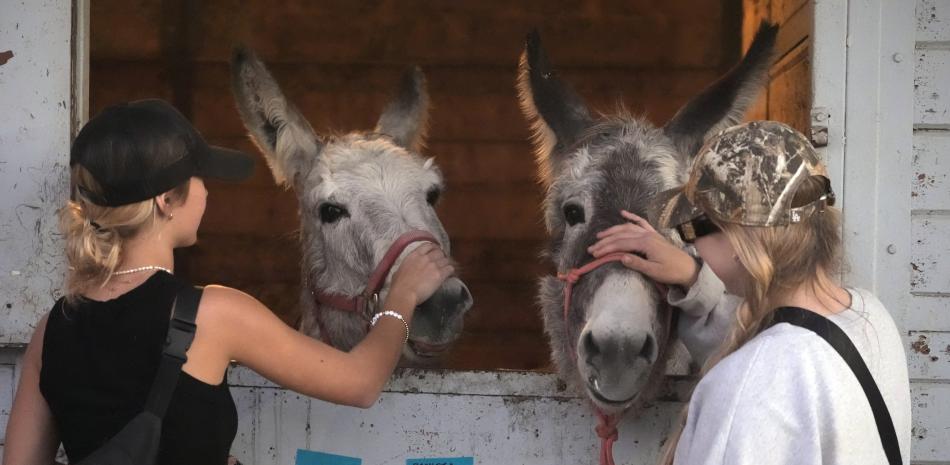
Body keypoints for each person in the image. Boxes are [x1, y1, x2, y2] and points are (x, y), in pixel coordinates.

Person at [3, 99, 454, 465]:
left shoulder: (52, 329)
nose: (207, 191)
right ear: (166, 200)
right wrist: (402, 295)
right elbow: (360, 384)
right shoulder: (213, 313)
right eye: (198, 178)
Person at [587, 121, 911, 465]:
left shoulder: (747, 387)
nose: (689, 242)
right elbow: (781, 342)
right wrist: (693, 277)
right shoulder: (869, 317)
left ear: (739, 238)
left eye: (690, 227)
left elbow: (765, 369)